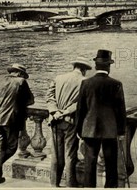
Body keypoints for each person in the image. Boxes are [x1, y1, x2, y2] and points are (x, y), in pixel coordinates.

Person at [76, 50, 127, 188]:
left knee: (90, 163)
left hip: (90, 128)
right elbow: (120, 111)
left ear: (96, 66)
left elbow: (81, 109)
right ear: (108, 67)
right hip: (110, 130)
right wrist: (121, 131)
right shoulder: (116, 84)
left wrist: (79, 129)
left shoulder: (86, 83)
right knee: (111, 164)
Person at [0, 63, 34, 186]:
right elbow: (31, 100)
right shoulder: (21, 82)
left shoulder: (0, 81)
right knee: (11, 148)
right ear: (20, 73)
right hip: (11, 120)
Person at [46, 57, 92, 187]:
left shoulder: (58, 77)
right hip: (70, 121)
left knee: (56, 155)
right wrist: (65, 112)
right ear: (83, 69)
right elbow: (80, 104)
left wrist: (55, 112)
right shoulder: (85, 81)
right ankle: (70, 184)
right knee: (70, 155)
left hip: (55, 120)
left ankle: (54, 184)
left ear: (74, 66)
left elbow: (49, 97)